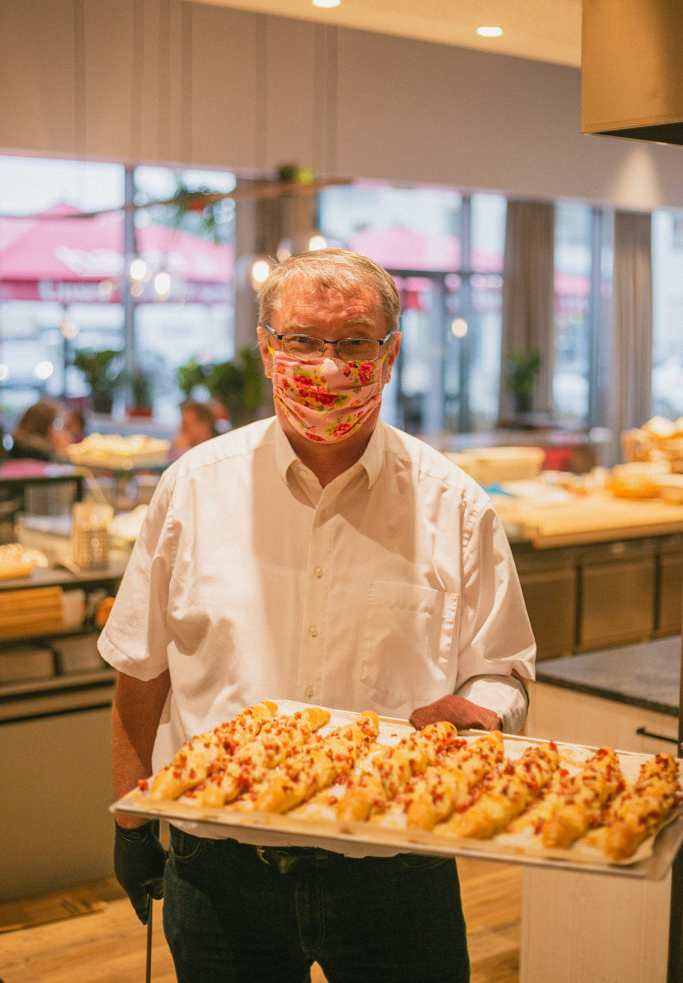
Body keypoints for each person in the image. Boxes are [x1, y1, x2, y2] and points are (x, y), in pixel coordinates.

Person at [100, 248, 535, 983]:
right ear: (267, 349)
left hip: (394, 866)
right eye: (302, 340)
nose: (327, 367)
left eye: (354, 343)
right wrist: (132, 822)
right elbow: (142, 669)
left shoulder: (453, 506)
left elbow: (500, 669)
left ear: (390, 355)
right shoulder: (193, 490)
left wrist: (484, 713)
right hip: (219, 867)